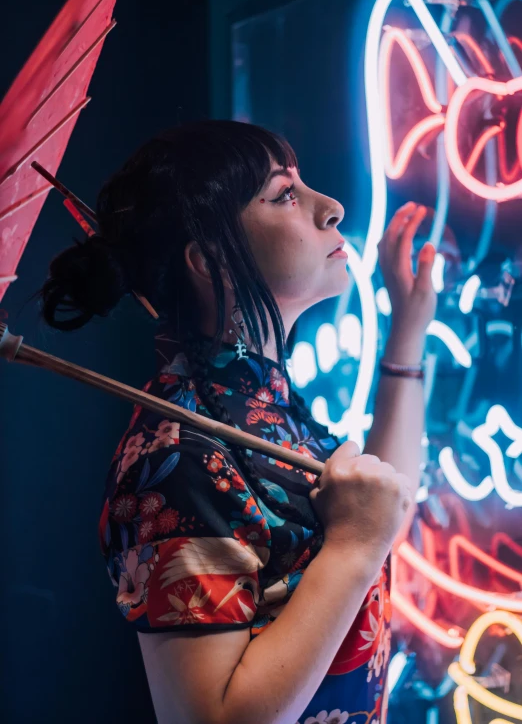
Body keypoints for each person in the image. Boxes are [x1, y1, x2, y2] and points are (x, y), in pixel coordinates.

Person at [38, 120, 437, 724]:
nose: (331, 208)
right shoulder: (172, 457)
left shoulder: (260, 405)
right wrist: (355, 546)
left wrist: (407, 332)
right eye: (284, 195)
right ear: (211, 260)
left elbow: (385, 503)